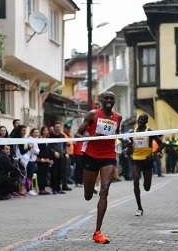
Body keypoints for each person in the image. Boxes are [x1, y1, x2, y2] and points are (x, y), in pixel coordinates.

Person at [75, 91, 122, 244]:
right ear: (100, 100)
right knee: (88, 195)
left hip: (108, 157)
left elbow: (117, 135)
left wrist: (124, 144)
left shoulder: (118, 117)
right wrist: (89, 137)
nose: (109, 100)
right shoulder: (93, 114)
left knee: (104, 190)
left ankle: (97, 232)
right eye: (106, 98)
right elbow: (77, 134)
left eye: (111, 98)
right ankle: (88, 191)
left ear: (114, 101)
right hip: (91, 156)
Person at [125, 113, 164, 217]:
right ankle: (139, 208)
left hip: (147, 161)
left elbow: (162, 144)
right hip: (135, 160)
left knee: (147, 187)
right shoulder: (131, 132)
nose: (141, 121)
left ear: (146, 121)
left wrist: (153, 154)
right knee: (136, 181)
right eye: (139, 119)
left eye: (143, 119)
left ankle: (146, 185)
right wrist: (127, 148)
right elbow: (130, 147)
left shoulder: (150, 132)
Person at [37, 126, 51, 195]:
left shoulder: (47, 139)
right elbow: (38, 150)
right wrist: (40, 158)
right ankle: (41, 189)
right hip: (41, 160)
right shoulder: (39, 139)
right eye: (44, 130)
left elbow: (48, 150)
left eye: (47, 130)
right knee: (41, 175)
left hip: (47, 159)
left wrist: (50, 158)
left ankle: (44, 189)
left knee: (45, 174)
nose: (45, 132)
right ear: (42, 131)